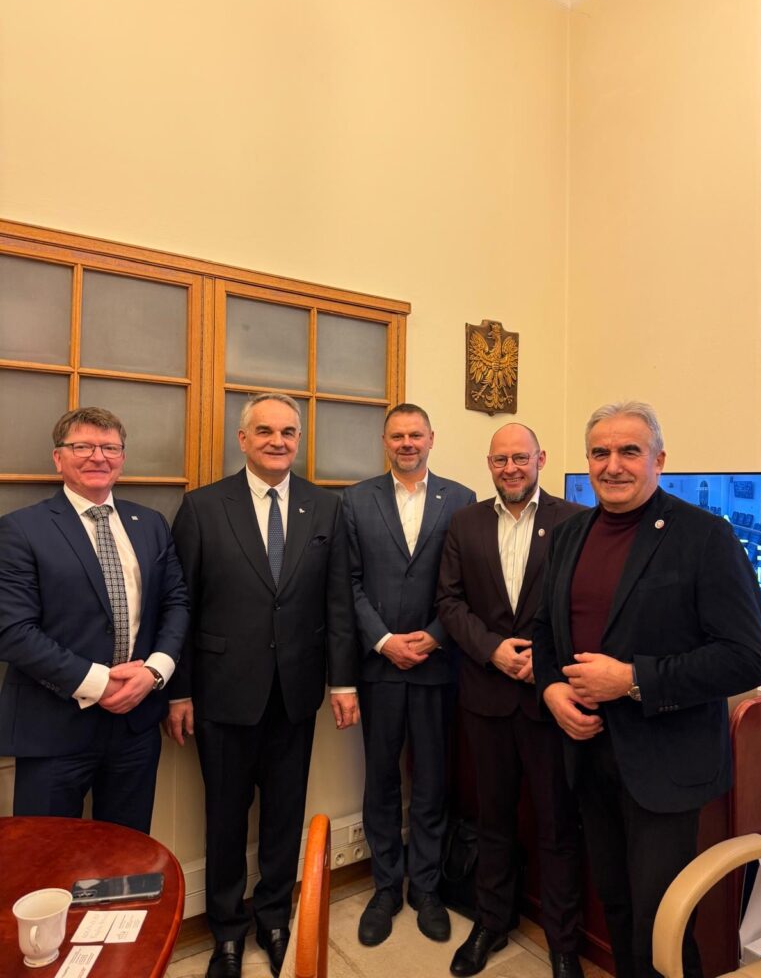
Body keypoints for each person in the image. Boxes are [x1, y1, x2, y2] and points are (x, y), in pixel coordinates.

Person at [533, 400, 761, 978]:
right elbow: (544, 632)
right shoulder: (568, 535)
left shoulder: (705, 537)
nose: (612, 465)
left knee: (662, 923)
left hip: (665, 766)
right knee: (614, 902)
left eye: (629, 451)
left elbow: (746, 657)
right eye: (600, 453)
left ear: (659, 460)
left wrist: (633, 680)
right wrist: (552, 691)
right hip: (588, 753)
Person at [165, 393, 358, 978]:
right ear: (243, 439)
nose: (278, 441)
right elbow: (181, 606)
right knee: (225, 817)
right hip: (222, 692)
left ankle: (275, 918)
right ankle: (226, 930)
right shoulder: (202, 507)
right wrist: (179, 690)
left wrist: (343, 682)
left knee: (284, 814)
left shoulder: (325, 508)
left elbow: (338, 602)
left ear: (298, 440)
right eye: (266, 431)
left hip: (296, 692)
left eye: (288, 432)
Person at [437, 423, 585, 978]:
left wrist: (541, 661)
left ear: (540, 459)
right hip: (486, 696)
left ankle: (564, 944)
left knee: (557, 826)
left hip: (550, 701)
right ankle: (491, 922)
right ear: (489, 464)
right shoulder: (465, 522)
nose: (511, 469)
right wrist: (493, 651)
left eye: (520, 458)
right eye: (500, 460)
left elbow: (582, 606)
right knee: (493, 819)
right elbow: (449, 602)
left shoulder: (575, 521)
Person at [0, 406, 188, 833]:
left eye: (110, 448)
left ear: (122, 458)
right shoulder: (20, 530)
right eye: (82, 447)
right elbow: (12, 632)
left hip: (137, 724)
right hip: (53, 725)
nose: (98, 457)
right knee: (46, 855)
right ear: (58, 458)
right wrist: (99, 683)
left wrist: (154, 672)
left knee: (128, 855)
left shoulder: (151, 524)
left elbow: (176, 603)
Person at [342, 403, 475, 948]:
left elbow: (468, 583)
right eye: (397, 435)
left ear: (431, 439)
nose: (406, 443)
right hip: (380, 667)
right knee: (380, 781)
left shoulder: (461, 499)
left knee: (432, 782)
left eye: (415, 434)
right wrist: (383, 640)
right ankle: (385, 888)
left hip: (437, 665)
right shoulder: (355, 500)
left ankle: (426, 887)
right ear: (385, 441)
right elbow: (348, 582)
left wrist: (436, 635)